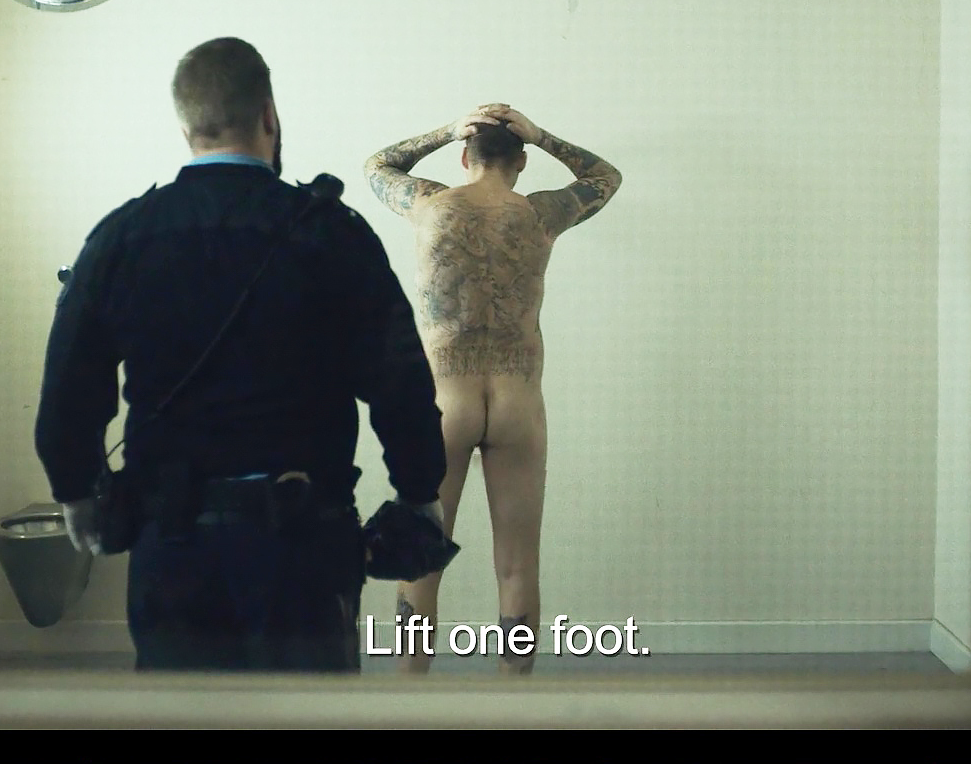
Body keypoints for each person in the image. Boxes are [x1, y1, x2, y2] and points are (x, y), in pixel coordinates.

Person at [33, 36, 449, 673]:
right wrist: (419, 493)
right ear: (269, 115)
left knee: (182, 715)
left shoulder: (123, 235)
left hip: (171, 543)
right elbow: (400, 381)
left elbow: (67, 386)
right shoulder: (331, 232)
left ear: (186, 127)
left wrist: (76, 490)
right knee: (306, 716)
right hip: (303, 547)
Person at [364, 103, 622, 673]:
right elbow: (606, 176)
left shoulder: (430, 205)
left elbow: (378, 166)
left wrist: (445, 128)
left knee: (420, 560)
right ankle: (513, 700)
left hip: (444, 404)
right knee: (518, 565)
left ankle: (408, 696)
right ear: (521, 162)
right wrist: (543, 134)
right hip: (516, 403)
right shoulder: (541, 213)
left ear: (464, 156)